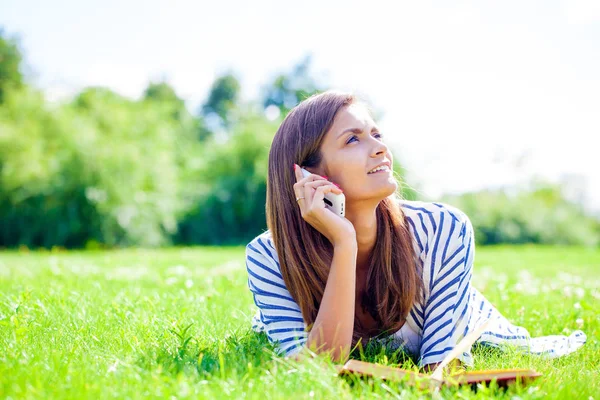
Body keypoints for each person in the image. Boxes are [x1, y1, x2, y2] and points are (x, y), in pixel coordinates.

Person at [245, 90, 586, 369]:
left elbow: (440, 366)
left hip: (464, 317)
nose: (380, 148)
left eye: (376, 134)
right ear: (309, 176)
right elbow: (316, 367)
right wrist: (344, 243)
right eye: (352, 140)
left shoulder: (443, 229)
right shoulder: (268, 256)